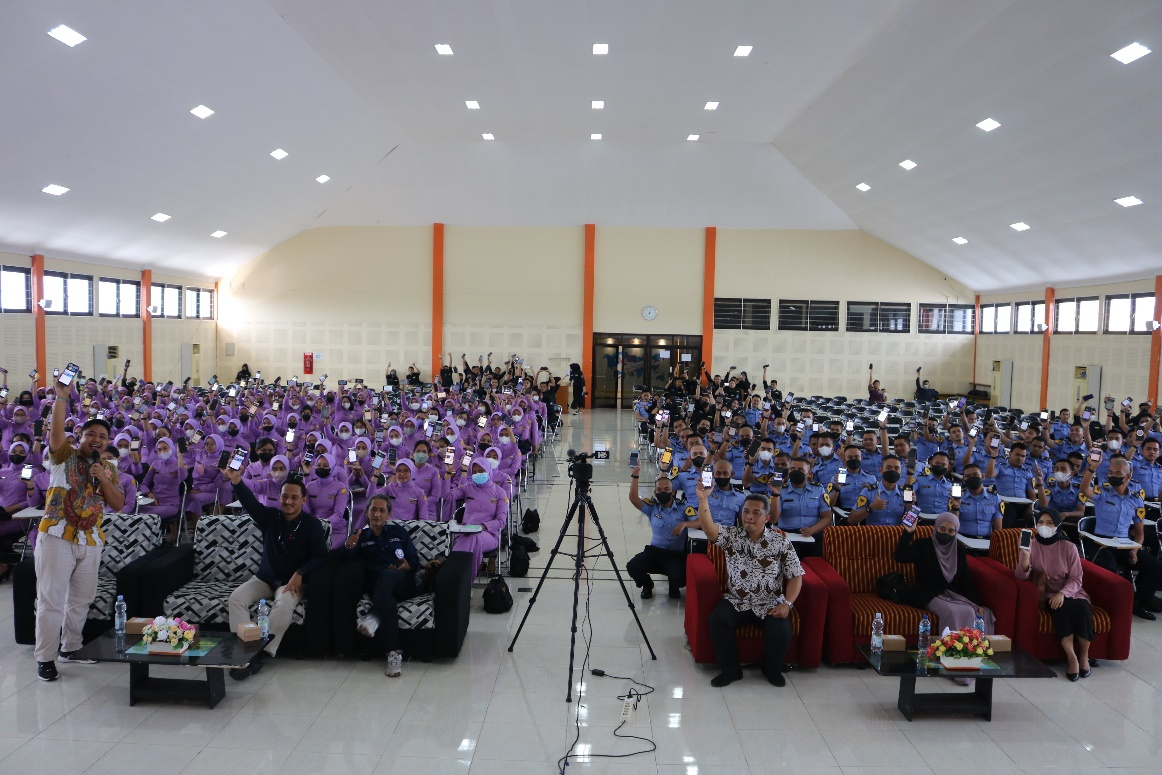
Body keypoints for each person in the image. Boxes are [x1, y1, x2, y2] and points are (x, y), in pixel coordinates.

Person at [33, 373, 126, 682]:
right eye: (91, 435)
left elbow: (118, 504)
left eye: (102, 436)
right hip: (57, 535)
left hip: (91, 540)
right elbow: (56, 433)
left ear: (107, 442)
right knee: (51, 601)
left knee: (82, 599)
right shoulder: (63, 455)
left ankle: (71, 647)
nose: (96, 439)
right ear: (81, 437)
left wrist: (102, 478)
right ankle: (45, 657)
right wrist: (62, 396)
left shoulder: (109, 467)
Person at [222, 466, 328, 678]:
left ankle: (259, 653)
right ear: (279, 497)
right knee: (236, 599)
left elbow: (321, 557)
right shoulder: (270, 518)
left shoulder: (312, 525)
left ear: (303, 500)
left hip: (292, 582)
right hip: (265, 578)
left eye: (294, 498)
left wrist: (300, 573)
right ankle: (246, 648)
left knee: (283, 606)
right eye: (284, 496)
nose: (288, 502)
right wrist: (236, 480)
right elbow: (250, 503)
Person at [696, 483, 803, 688]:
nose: (749, 517)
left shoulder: (780, 542)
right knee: (717, 621)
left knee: (781, 631)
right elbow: (710, 531)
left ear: (766, 518)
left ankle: (771, 669)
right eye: (746, 511)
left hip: (769, 601)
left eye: (756, 512)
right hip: (738, 600)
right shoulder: (732, 536)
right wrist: (703, 500)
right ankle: (731, 670)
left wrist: (787, 604)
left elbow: (796, 575)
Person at [347, 495, 422, 677]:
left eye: (382, 510)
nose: (377, 514)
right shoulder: (361, 536)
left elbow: (414, 561)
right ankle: (394, 653)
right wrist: (348, 546)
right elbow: (347, 559)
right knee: (386, 599)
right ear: (366, 512)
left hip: (403, 582)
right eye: (373, 509)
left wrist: (407, 566)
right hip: (378, 587)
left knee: (389, 574)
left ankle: (373, 617)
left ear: (389, 514)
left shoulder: (399, 532)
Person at [1079, 456, 1162, 619]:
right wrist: (1092, 469)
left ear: (1128, 476)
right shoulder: (1102, 491)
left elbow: (1139, 532)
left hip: (1124, 544)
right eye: (1110, 472)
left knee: (1155, 565)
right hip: (1100, 543)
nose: (1112, 476)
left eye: (1117, 473)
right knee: (1109, 566)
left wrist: (1135, 550)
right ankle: (1110, 605)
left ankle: (1137, 602)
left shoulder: (1136, 499)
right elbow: (1084, 489)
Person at [1015, 508, 1093, 681]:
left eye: (1049, 523)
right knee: (1062, 610)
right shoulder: (1032, 544)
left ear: (1057, 525)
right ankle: (1072, 658)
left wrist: (1063, 593)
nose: (1044, 526)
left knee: (1082, 609)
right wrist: (1025, 555)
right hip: (1049, 595)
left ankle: (1084, 656)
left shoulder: (1069, 547)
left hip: (1073, 592)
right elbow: (1020, 576)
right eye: (1041, 522)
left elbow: (1076, 578)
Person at [895, 512, 996, 639]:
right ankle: (948, 649)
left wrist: (975, 602)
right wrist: (908, 532)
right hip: (927, 593)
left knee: (970, 611)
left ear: (956, 532)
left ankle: (967, 651)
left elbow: (965, 579)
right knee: (951, 612)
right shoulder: (923, 545)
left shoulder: (959, 549)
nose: (945, 534)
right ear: (936, 527)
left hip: (950, 593)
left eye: (951, 531)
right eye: (942, 529)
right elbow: (900, 557)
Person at [627, 466, 692, 599]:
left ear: (673, 492)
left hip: (675, 555)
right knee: (633, 566)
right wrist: (635, 475)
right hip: (655, 552)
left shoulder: (684, 507)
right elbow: (634, 499)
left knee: (681, 578)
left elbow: (700, 522)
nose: (663, 492)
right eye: (659, 490)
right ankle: (647, 585)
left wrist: (685, 524)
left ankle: (673, 585)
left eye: (666, 489)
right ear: (655, 493)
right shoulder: (652, 508)